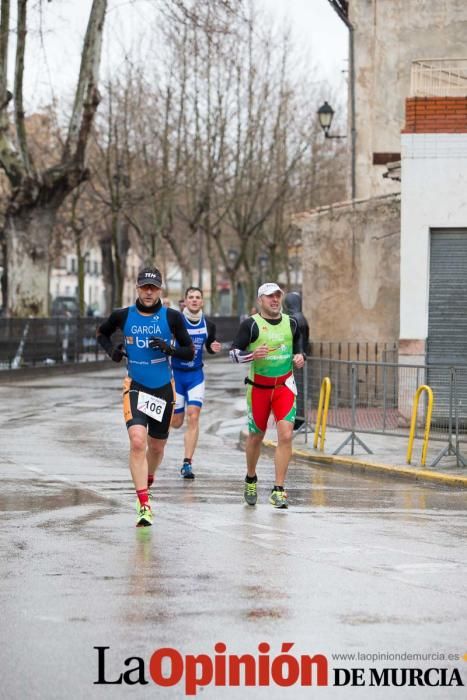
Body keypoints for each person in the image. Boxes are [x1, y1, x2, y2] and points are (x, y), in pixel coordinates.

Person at [96, 267, 194, 527]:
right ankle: (144, 505)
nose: (149, 292)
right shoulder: (122, 315)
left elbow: (189, 351)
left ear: (159, 289)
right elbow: (101, 333)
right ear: (137, 289)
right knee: (138, 442)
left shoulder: (172, 317)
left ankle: (147, 479)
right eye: (144, 287)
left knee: (157, 446)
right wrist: (112, 351)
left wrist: (169, 348)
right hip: (136, 386)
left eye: (153, 288)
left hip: (163, 388)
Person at [230, 282, 305, 509]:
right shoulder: (251, 325)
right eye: (270, 296)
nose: (275, 300)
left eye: (277, 296)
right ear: (260, 300)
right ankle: (251, 477)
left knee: (285, 435)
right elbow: (233, 354)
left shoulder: (291, 323)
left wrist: (301, 357)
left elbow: (300, 347)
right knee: (256, 437)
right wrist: (251, 355)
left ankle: (279, 489)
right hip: (259, 388)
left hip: (284, 386)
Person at [171, 287, 222, 478]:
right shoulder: (176, 322)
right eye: (190, 297)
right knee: (176, 422)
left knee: (193, 416)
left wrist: (213, 347)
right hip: (176, 375)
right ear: (184, 301)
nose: (194, 300)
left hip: (195, 376)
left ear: (202, 302)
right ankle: (159, 426)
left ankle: (187, 463)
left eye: (197, 298)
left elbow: (209, 345)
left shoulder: (209, 324)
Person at [283, 292, 311, 431]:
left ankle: (297, 420)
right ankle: (298, 419)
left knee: (295, 390)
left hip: (295, 359)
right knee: (298, 389)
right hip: (300, 357)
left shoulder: (293, 319)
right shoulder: (302, 317)